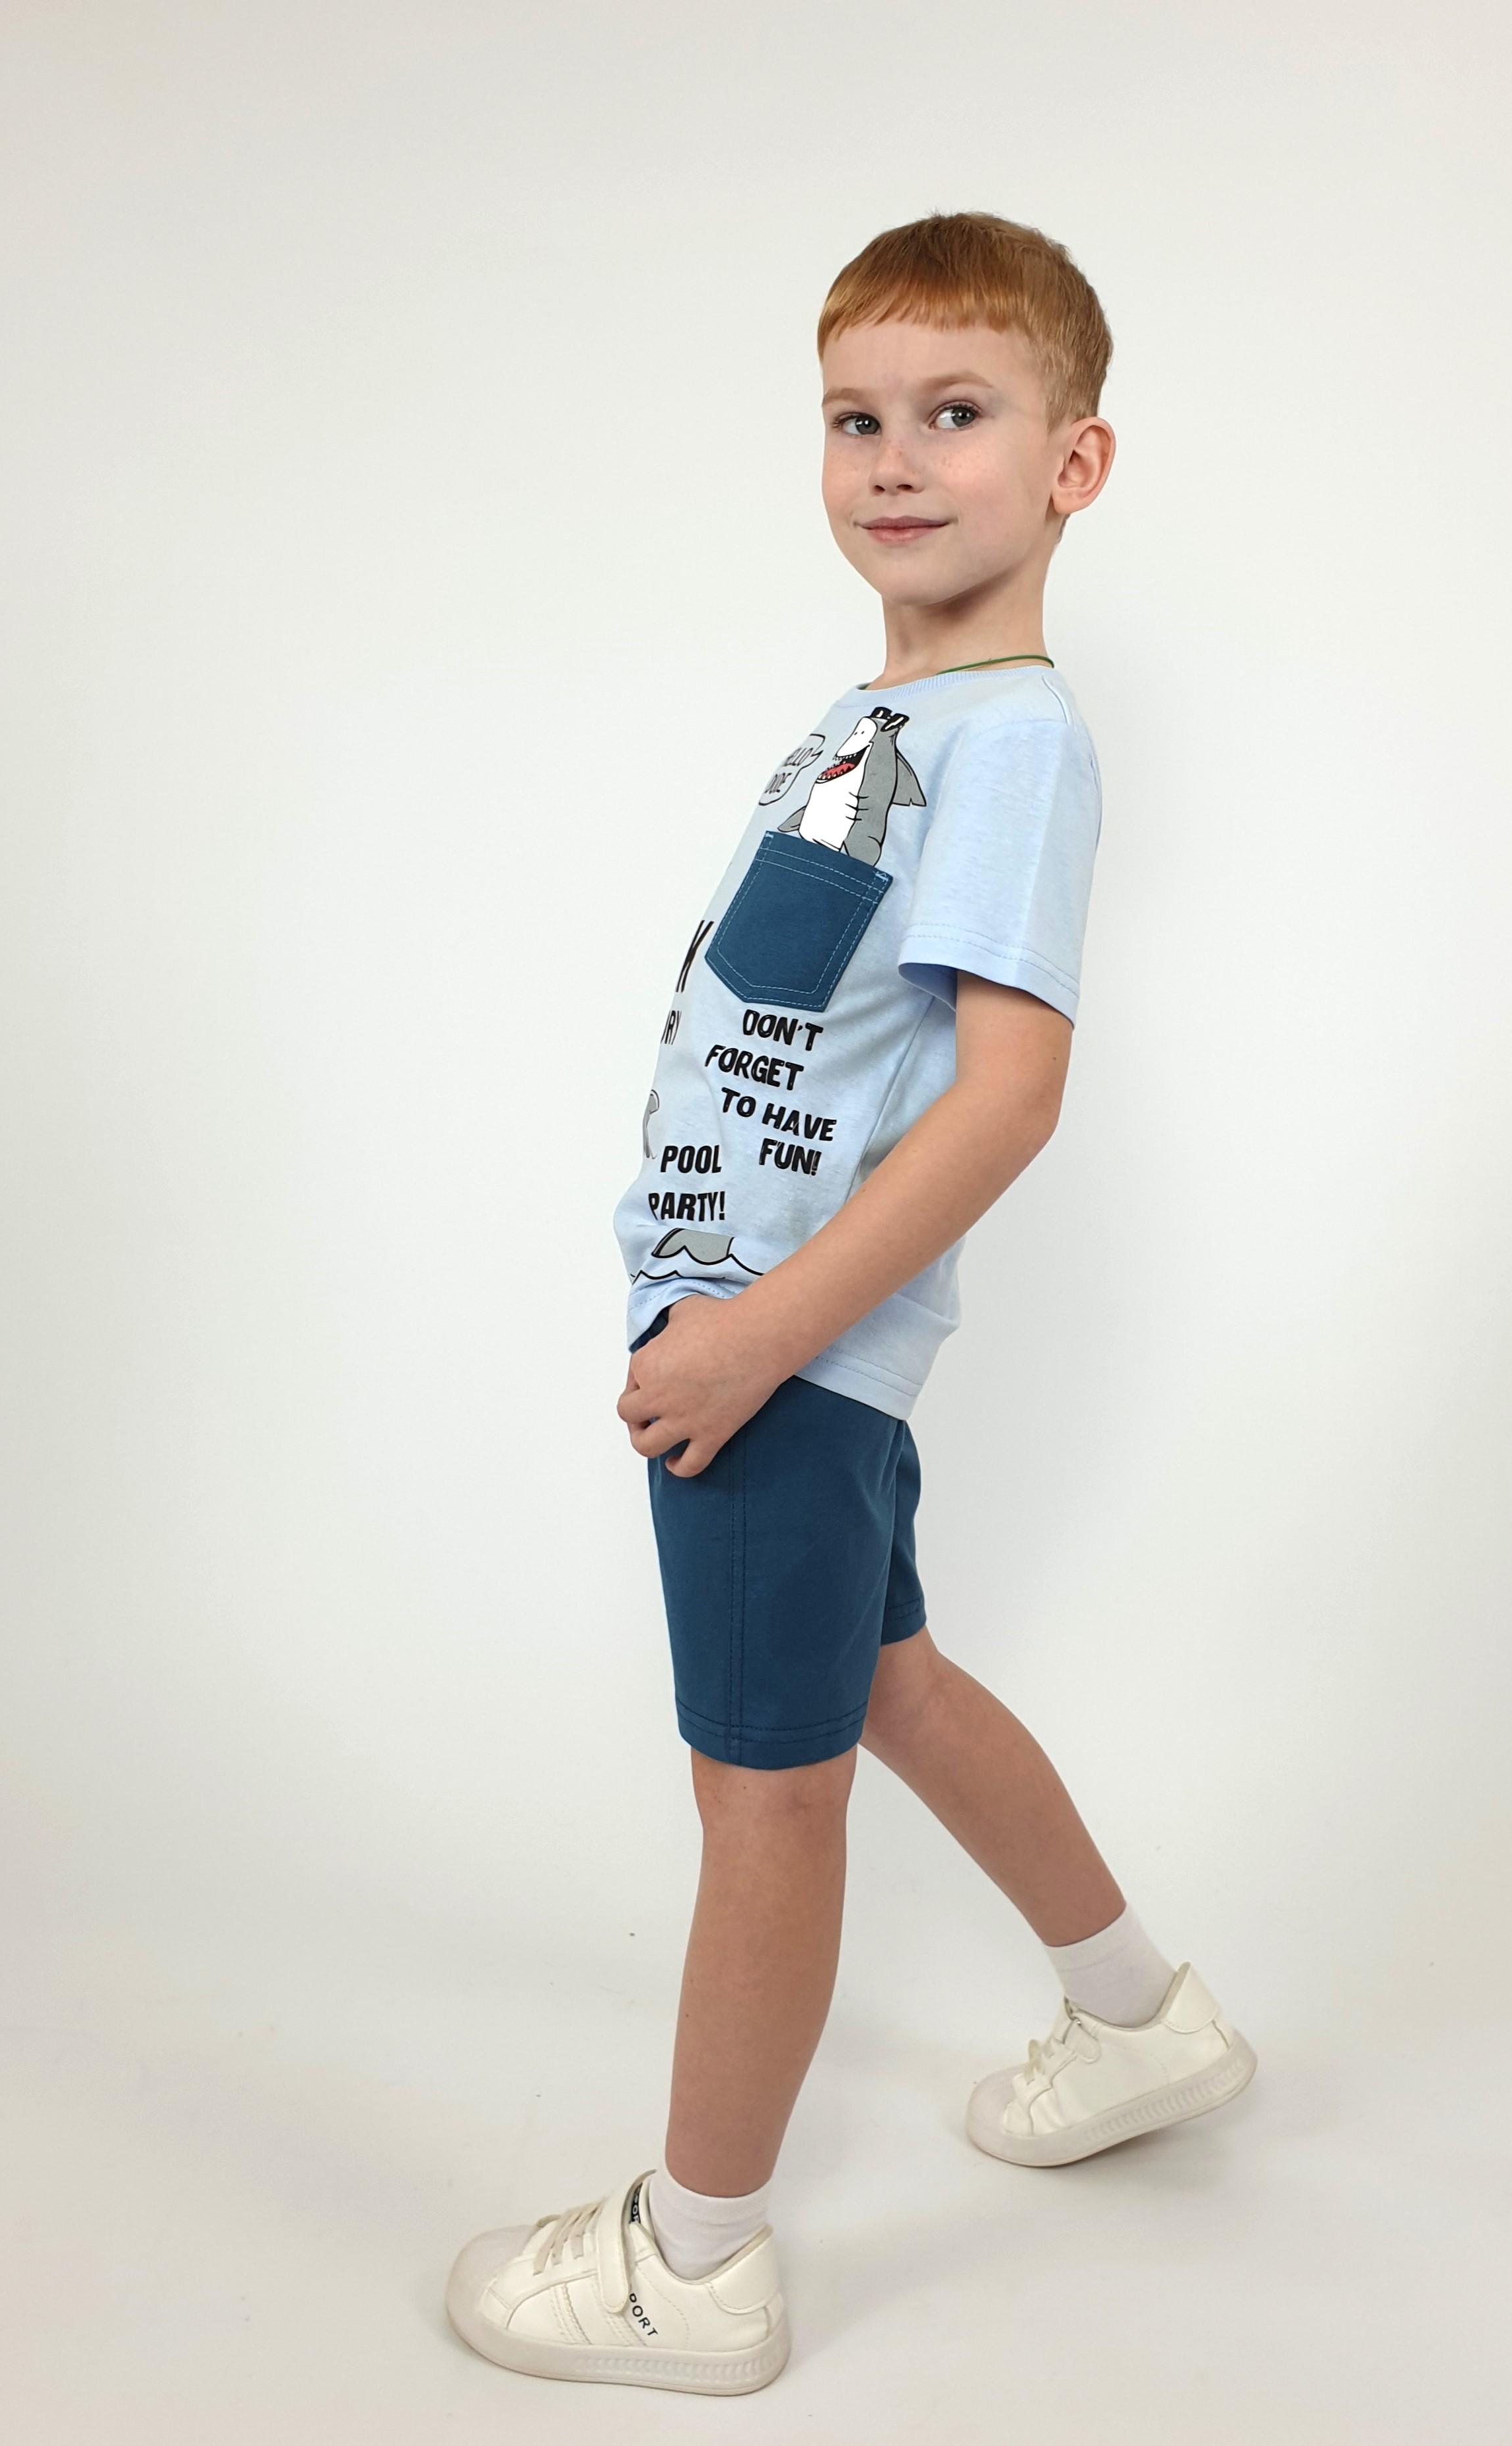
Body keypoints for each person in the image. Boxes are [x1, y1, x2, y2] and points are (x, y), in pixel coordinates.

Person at [445, 209, 1256, 2398]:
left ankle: (696, 2266)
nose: (896, 460)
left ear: (1075, 465)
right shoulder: (890, 715)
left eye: (957, 413)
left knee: (766, 1797)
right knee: (893, 1686)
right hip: (769, 1344)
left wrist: (758, 1333)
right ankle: (1139, 2017)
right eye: (855, 418)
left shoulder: (1011, 742)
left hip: (772, 1360)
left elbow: (1009, 1097)